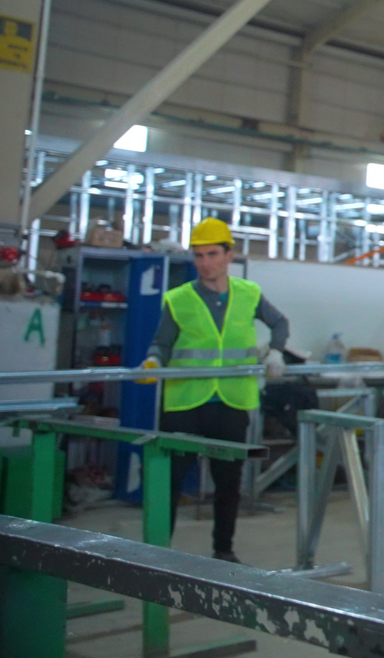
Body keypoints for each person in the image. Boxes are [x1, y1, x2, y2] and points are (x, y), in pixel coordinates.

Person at [146, 217, 289, 563]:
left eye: (212, 254)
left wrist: (276, 351)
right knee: (169, 481)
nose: (205, 262)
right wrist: (152, 362)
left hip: (231, 401)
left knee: (228, 483)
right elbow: (162, 343)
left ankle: (223, 550)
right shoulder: (179, 299)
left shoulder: (248, 294)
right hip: (185, 403)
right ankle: (156, 552)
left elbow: (279, 322)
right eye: (199, 255)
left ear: (229, 255)